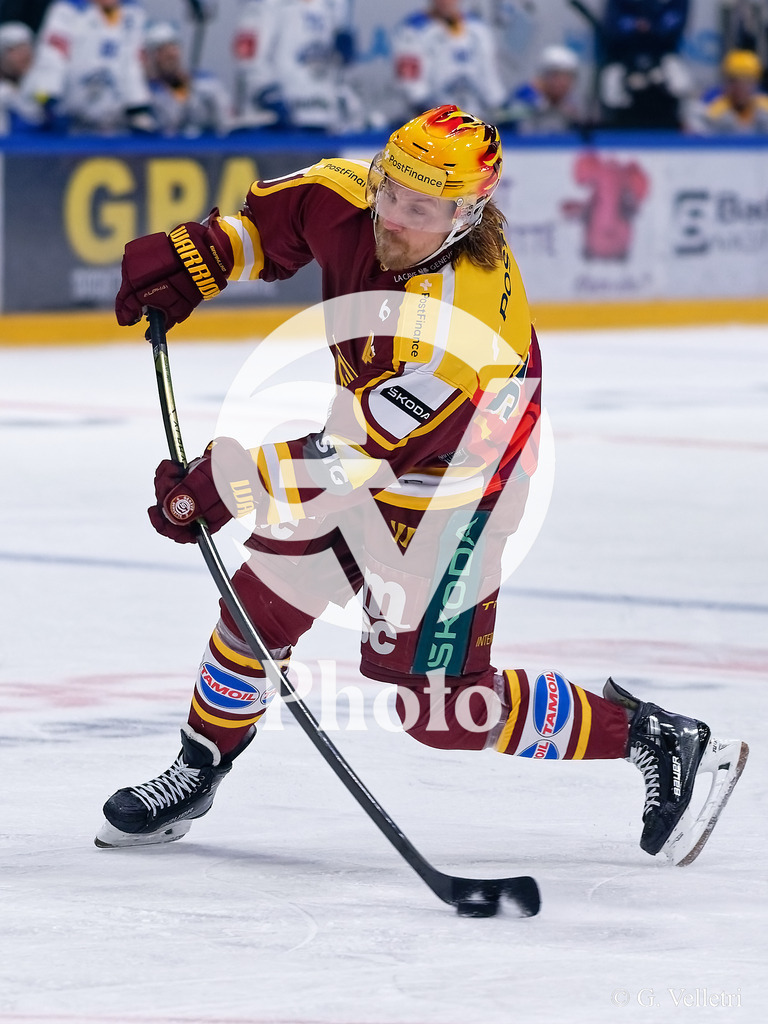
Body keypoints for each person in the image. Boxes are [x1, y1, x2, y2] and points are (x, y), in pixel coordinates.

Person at [97, 104, 748, 868]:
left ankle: (658, 738)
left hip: (463, 484)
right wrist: (196, 258)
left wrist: (227, 481)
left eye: (420, 207)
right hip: (365, 441)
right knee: (254, 611)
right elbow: (263, 233)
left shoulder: (464, 328)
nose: (392, 217)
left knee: (442, 711)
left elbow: (358, 456)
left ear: (467, 215)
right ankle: (199, 768)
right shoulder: (346, 191)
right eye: (391, 189)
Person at [21, 0, 152, 134]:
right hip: (71, 113)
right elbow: (53, 55)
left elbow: (132, 63)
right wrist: (47, 96)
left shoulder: (133, 13)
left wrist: (138, 106)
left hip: (115, 117)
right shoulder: (68, 9)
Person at [232, 0, 363, 131]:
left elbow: (336, 69)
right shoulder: (264, 6)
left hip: (323, 121)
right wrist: (268, 96)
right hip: (274, 127)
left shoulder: (332, 8)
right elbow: (250, 61)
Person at [392, 0, 507, 122]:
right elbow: (411, 87)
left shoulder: (479, 29)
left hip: (475, 121)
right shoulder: (412, 30)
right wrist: (438, 114)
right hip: (431, 122)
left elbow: (491, 85)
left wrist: (501, 109)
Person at [598, 0, 692, 129]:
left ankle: (679, 131)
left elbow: (675, 25)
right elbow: (613, 27)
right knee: (611, 89)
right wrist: (636, 26)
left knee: (681, 85)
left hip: (663, 54)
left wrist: (651, 27)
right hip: (623, 55)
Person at [144, 20, 232, 137]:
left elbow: (227, 122)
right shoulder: (146, 95)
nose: (170, 55)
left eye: (173, 47)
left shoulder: (208, 84)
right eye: (162, 50)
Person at [507, 44, 584, 134]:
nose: (563, 83)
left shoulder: (569, 106)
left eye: (569, 77)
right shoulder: (522, 100)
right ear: (543, 76)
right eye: (557, 75)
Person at [689, 48, 768, 134]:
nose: (741, 88)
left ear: (756, 83)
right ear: (725, 82)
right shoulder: (710, 110)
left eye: (747, 81)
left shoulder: (765, 108)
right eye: (734, 81)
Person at [0, 21, 40, 134]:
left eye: (27, 49)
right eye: (16, 50)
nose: (25, 55)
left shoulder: (42, 87)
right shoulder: (3, 94)